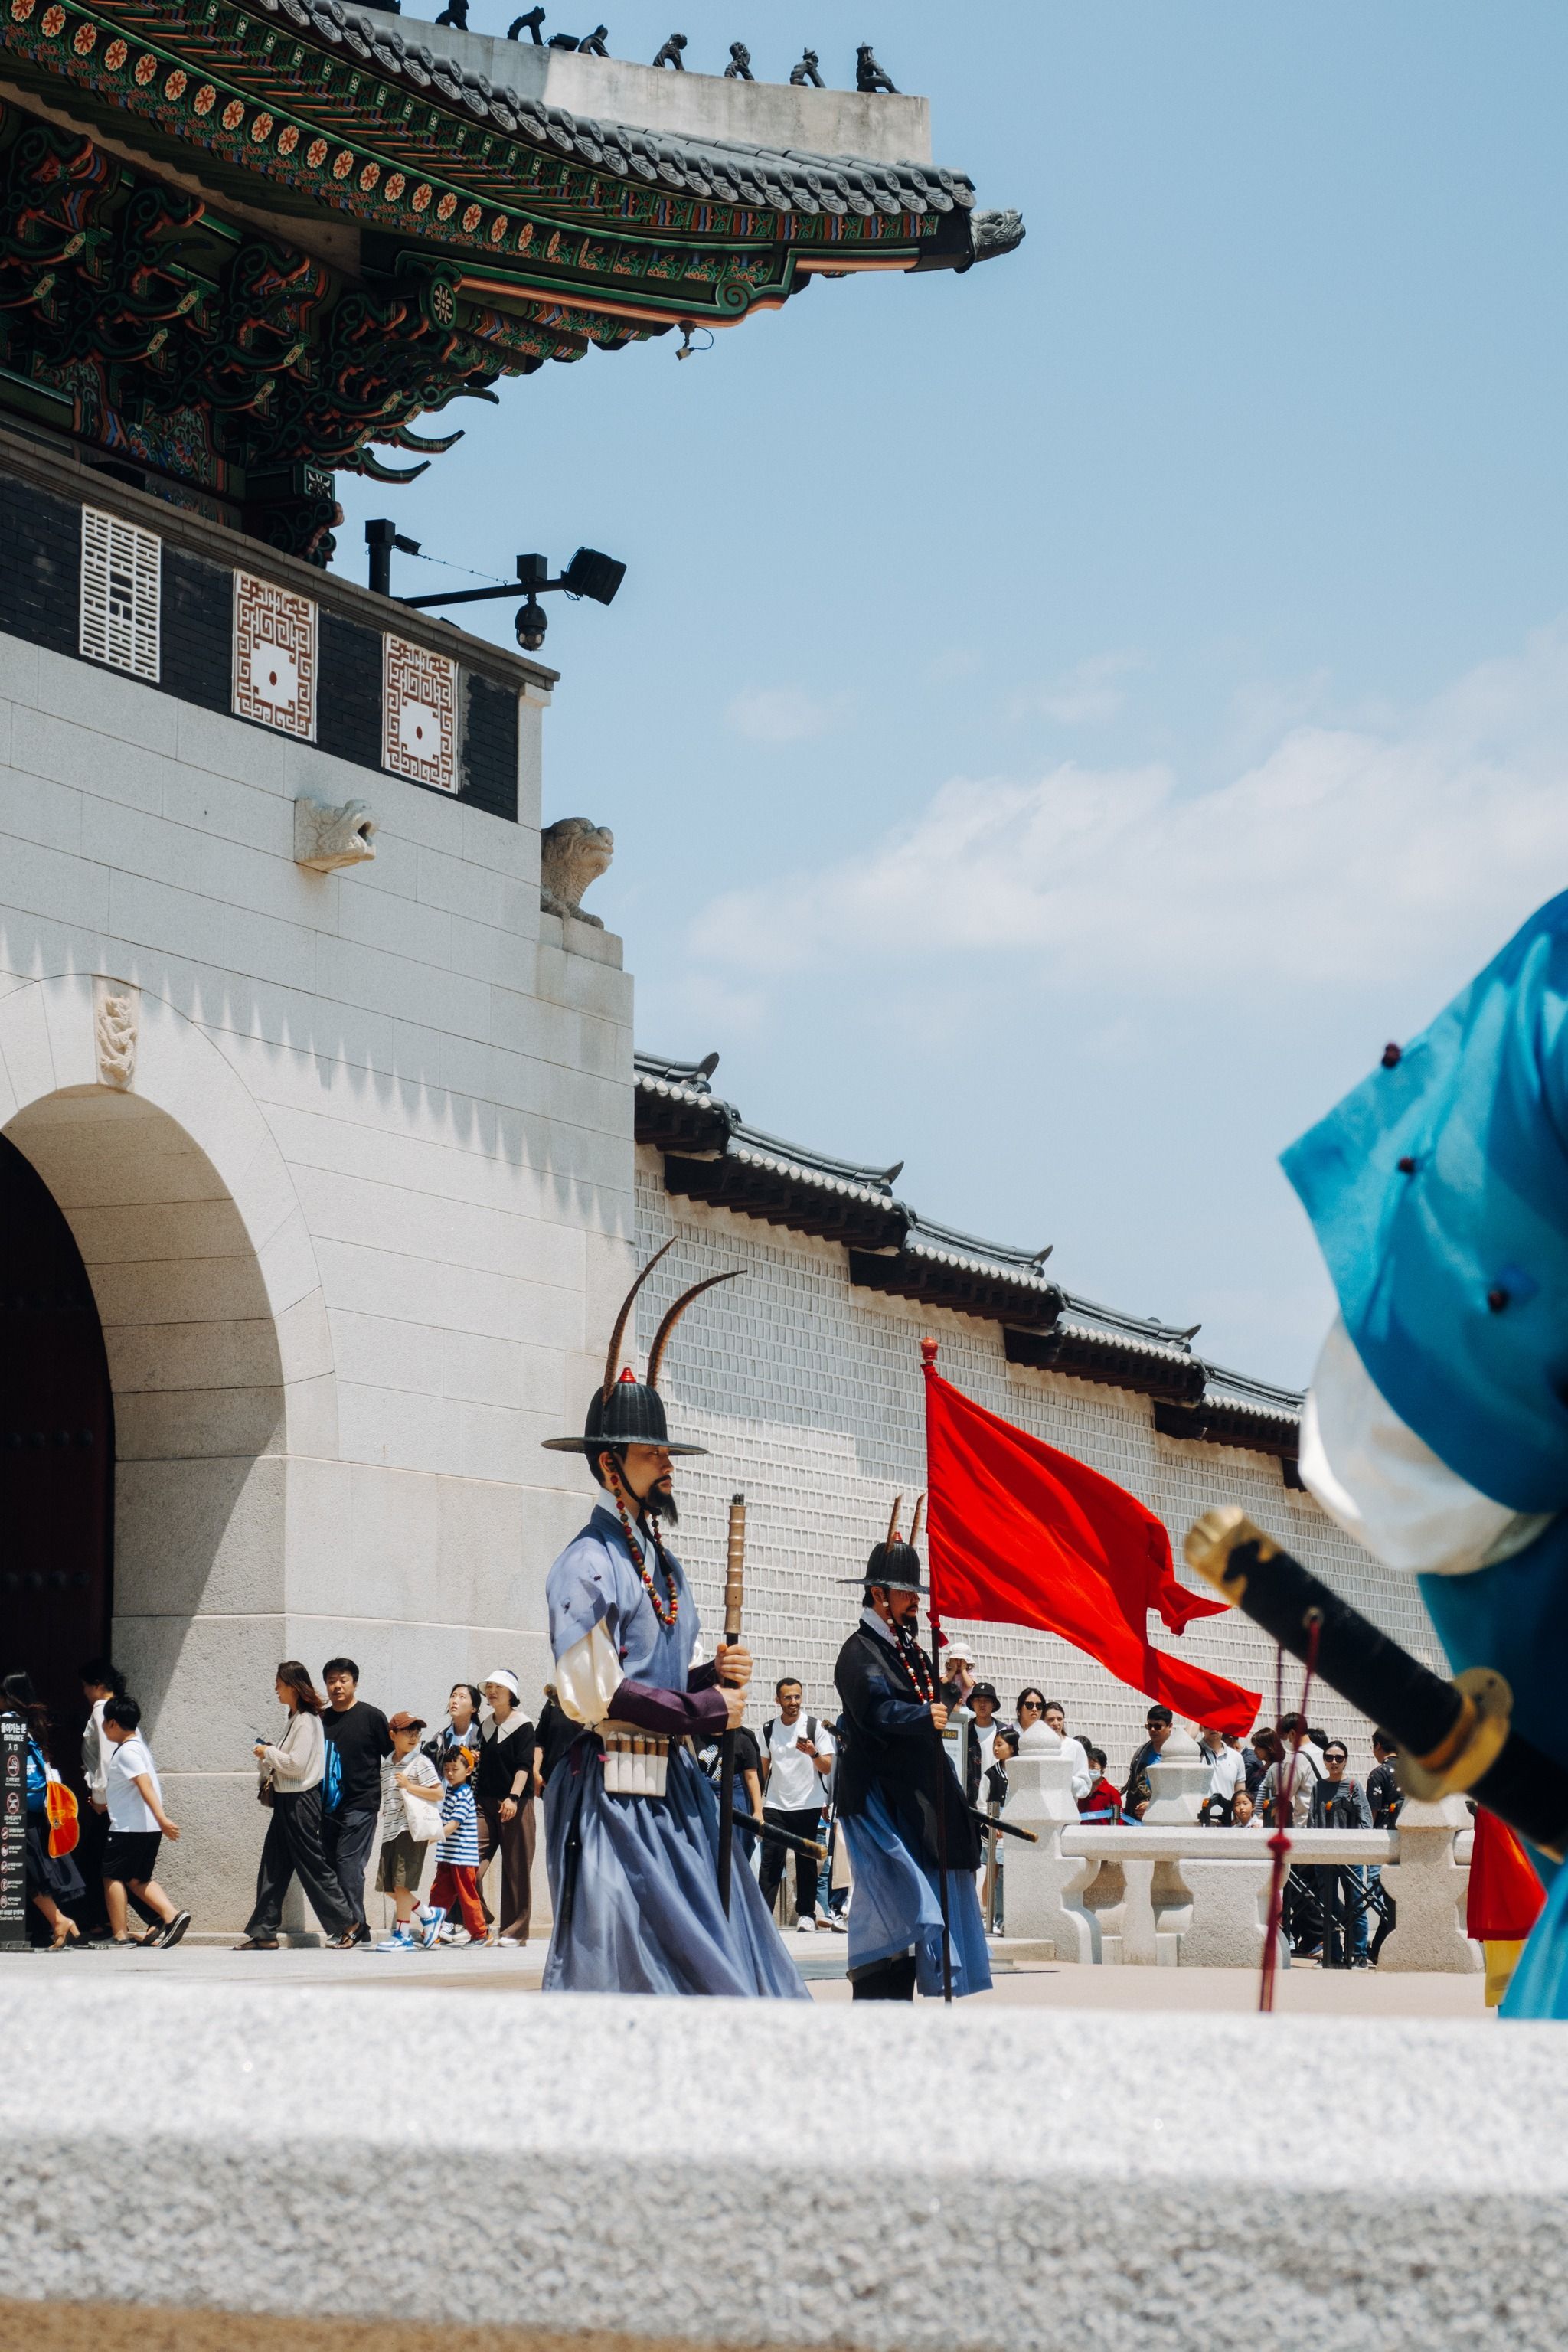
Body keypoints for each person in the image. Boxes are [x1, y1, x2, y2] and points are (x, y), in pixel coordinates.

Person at [535, 1248, 808, 1998]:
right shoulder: (583, 1566)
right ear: (609, 1464)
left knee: (722, 1941)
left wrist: (707, 1679)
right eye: (654, 1450)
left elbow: (659, 1675)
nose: (670, 1464)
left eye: (668, 1450)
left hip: (674, 1782)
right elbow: (595, 1693)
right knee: (627, 1951)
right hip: (606, 1782)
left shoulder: (666, 1566)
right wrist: (701, 1708)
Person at [832, 1504, 990, 2001]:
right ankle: (878, 2005)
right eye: (906, 1593)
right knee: (894, 1910)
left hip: (912, 1795)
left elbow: (923, 1704)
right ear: (878, 1594)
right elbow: (877, 1709)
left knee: (916, 1911)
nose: (914, 1605)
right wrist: (923, 1714)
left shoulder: (911, 1651)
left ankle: (900, 2004)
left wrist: (947, 1696)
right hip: (876, 1800)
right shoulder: (857, 1653)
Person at [238, 1662, 357, 1951]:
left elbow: (296, 1764)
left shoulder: (305, 1720)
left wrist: (268, 1752)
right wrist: (269, 1755)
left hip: (301, 1800)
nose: (276, 1689)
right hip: (289, 1800)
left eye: (279, 1683)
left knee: (312, 1863)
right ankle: (264, 1932)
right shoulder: (296, 1718)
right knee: (273, 1865)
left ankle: (346, 1924)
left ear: (292, 1685)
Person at [3, 1672, 86, 1950]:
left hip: (14, 1807)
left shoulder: (7, 1724)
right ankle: (59, 1922)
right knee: (27, 1869)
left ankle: (59, 1920)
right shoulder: (33, 1725)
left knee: (23, 1869)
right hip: (35, 1805)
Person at [99, 1697, 189, 1949]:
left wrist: (163, 1819)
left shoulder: (127, 1751)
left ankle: (120, 1936)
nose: (104, 1726)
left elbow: (144, 1784)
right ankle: (171, 1916)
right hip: (144, 1827)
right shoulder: (139, 1745)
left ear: (113, 1723)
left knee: (111, 1877)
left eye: (106, 1722)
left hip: (130, 1828)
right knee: (137, 1879)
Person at [319, 1658, 393, 1947]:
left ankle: (356, 1925)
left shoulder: (372, 1717)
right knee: (331, 1866)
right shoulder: (321, 1719)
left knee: (348, 1864)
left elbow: (392, 1758)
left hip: (362, 1803)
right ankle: (347, 1925)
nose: (337, 1686)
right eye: (331, 1681)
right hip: (328, 1806)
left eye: (343, 1680)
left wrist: (391, 1797)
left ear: (355, 1683)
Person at [757, 1678, 834, 1930]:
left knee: (806, 1859)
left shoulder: (815, 1726)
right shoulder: (768, 1730)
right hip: (776, 1803)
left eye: (797, 1697)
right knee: (771, 1858)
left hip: (808, 1803)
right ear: (778, 1700)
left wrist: (812, 1752)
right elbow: (762, 1771)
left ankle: (806, 1914)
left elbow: (828, 1767)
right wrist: (758, 1805)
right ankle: (761, 1916)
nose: (793, 1702)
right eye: (788, 1698)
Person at [474, 1671, 536, 1947]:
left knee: (516, 1869)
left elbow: (525, 1765)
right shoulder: (484, 1726)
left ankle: (515, 1931)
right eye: (489, 1687)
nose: (492, 1691)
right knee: (468, 1864)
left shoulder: (524, 1725)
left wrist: (513, 1797)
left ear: (511, 1693)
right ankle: (480, 1920)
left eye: (498, 1687)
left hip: (516, 1803)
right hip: (484, 1803)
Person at [373, 1713, 442, 1953]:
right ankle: (429, 1915)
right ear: (393, 1735)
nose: (413, 1737)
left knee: (402, 1886)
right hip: (391, 1831)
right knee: (391, 1887)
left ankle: (403, 1935)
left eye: (417, 1732)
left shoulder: (420, 1762)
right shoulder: (387, 1764)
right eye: (407, 1732)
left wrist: (410, 1786)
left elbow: (438, 1793)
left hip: (409, 1830)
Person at [1308, 1740, 1374, 1966]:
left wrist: (1359, 1849)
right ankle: (1334, 1953)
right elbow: (1313, 1821)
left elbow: (1366, 1821)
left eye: (1338, 1758)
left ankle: (1359, 1953)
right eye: (1329, 1758)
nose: (1334, 1762)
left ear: (1346, 1760)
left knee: (1357, 1903)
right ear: (1324, 1760)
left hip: (1350, 1854)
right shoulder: (1318, 1786)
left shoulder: (1354, 1785)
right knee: (1328, 1905)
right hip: (1324, 1855)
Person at [420, 1746, 488, 1948]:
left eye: (454, 1769)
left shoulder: (464, 1794)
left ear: (468, 1771)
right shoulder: (449, 1791)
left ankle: (480, 1934)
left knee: (468, 1896)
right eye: (447, 1768)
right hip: (448, 1855)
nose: (449, 1773)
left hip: (463, 1857)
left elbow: (454, 1824)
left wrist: (433, 1837)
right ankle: (432, 1931)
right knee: (439, 1894)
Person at [1123, 1707, 1173, 1819]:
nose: (1153, 1730)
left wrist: (1153, 1806)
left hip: (1165, 1820)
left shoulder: (1176, 1755)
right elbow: (1133, 1787)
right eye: (1149, 1726)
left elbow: (1178, 1794)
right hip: (1137, 1819)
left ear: (1170, 1726)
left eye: (1158, 1726)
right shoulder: (1141, 1753)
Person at [1042, 1700, 1092, 1802]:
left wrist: (1066, 1779)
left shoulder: (1075, 1747)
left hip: (1066, 1810)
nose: (1056, 1723)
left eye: (1060, 1719)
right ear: (1043, 1721)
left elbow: (1085, 1787)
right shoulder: (1037, 1746)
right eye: (1051, 1719)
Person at [426, 1685, 484, 1771]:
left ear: (474, 1708)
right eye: (453, 1696)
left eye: (462, 1697)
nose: (455, 1701)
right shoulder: (440, 1737)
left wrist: (478, 1762)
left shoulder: (481, 1738)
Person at [1201, 1726, 1247, 1818]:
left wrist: (1239, 1819)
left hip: (1229, 1821)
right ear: (1201, 1727)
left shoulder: (1236, 1756)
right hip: (1202, 1821)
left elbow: (1240, 1793)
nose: (1213, 1728)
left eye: (1216, 1723)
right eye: (1207, 1725)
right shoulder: (1195, 1754)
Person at [1079, 1748, 1123, 1824]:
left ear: (1103, 1768)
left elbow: (1117, 1823)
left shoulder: (1112, 1793)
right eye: (1087, 1766)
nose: (1089, 1770)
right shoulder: (1081, 1790)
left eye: (1093, 1766)